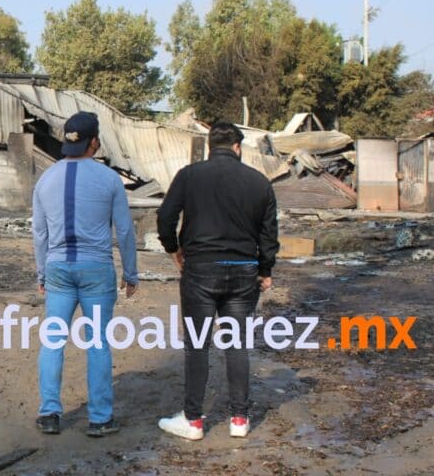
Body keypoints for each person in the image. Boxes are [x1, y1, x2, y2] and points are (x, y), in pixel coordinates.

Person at [155, 122, 279, 440]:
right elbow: (269, 235)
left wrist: (173, 250)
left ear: (211, 146)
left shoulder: (189, 175)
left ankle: (193, 421)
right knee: (237, 344)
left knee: (198, 344)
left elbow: (165, 216)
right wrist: (265, 270)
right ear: (238, 147)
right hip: (243, 273)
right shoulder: (260, 183)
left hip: (200, 271)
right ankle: (240, 419)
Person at [32, 111, 139, 438]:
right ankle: (100, 418)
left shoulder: (45, 179)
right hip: (96, 271)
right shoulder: (109, 179)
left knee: (53, 341)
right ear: (95, 142)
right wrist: (130, 272)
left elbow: (39, 233)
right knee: (98, 343)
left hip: (59, 269)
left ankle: (49, 413)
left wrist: (41, 274)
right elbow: (124, 230)